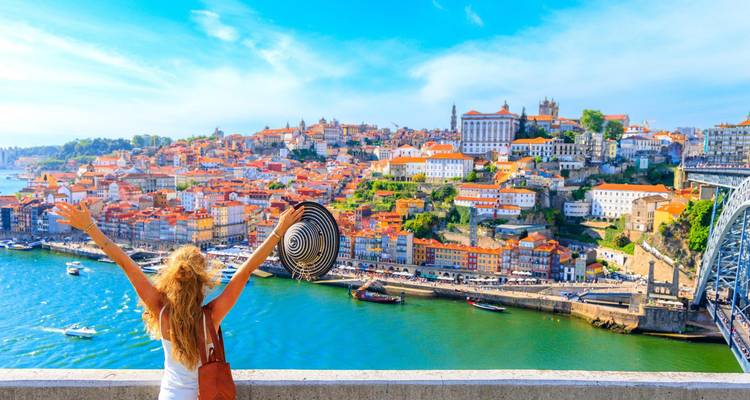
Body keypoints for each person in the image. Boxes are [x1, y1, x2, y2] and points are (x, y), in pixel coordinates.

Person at [55, 201, 304, 400]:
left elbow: (124, 262)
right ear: (203, 280)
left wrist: (89, 226)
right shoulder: (211, 316)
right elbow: (246, 270)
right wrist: (278, 232)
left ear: (172, 275)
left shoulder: (161, 311)